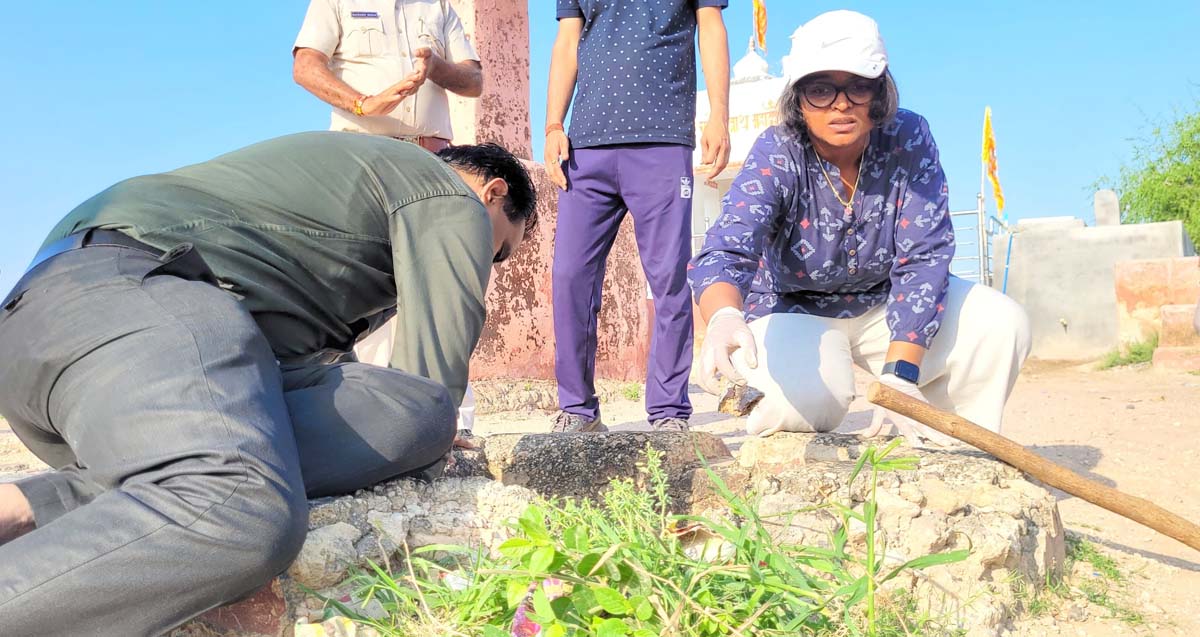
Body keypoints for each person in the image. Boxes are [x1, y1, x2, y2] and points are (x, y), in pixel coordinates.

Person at [0, 133, 536, 636]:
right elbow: (438, 358)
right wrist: (439, 441)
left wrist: (425, 428)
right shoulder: (444, 192)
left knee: (406, 415)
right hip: (129, 296)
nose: (486, 262)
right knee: (235, 507)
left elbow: (393, 398)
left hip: (71, 363)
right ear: (493, 193)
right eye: (499, 250)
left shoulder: (328, 240)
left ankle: (38, 503)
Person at [689, 10, 1031, 446]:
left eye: (859, 86)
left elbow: (924, 256)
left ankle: (955, 447)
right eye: (820, 90)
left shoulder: (907, 137)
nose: (841, 103)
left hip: (884, 307)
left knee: (1000, 325)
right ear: (796, 98)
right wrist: (723, 315)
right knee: (802, 403)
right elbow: (728, 247)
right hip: (793, 309)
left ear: (880, 92)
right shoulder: (779, 151)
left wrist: (900, 377)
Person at [545, 0, 731, 434]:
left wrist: (718, 114)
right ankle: (577, 409)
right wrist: (554, 124)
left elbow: (711, 26)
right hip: (586, 144)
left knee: (668, 278)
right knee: (570, 275)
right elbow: (568, 41)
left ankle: (668, 411)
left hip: (662, 141)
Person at [292, 0, 483, 153]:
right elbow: (305, 67)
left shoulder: (438, 6)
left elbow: (474, 82)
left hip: (431, 160)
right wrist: (362, 104)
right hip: (361, 154)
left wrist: (434, 66)